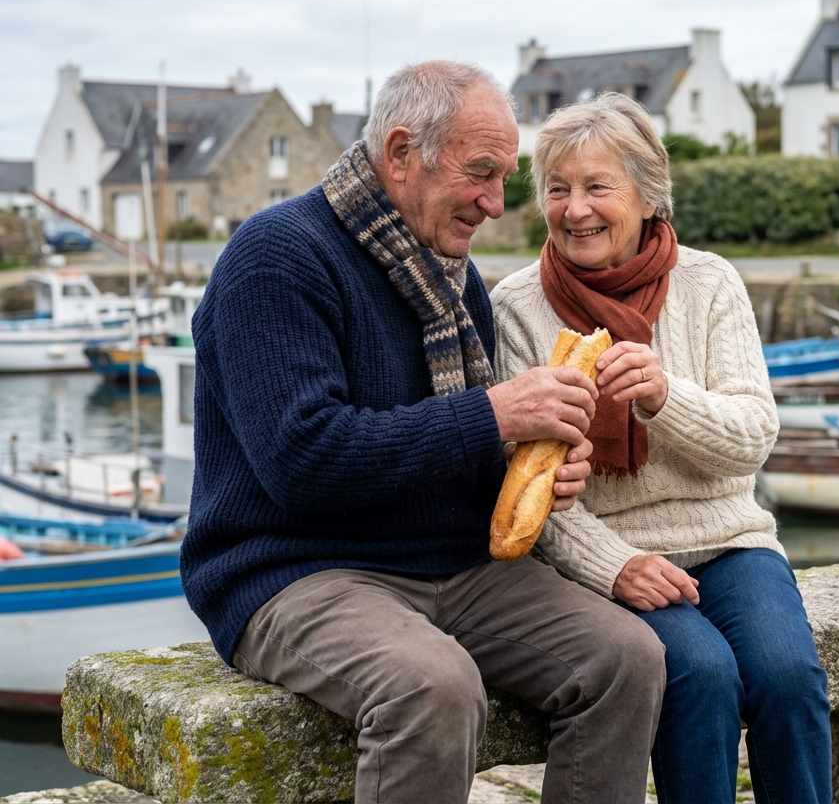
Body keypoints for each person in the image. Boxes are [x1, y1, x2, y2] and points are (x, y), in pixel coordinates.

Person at [180, 63, 666, 804]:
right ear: (402, 151)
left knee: (628, 657)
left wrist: (526, 465)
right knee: (433, 686)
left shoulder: (454, 276)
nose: (496, 205)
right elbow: (303, 460)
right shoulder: (275, 257)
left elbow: (455, 448)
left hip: (454, 563)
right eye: (480, 173)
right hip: (297, 570)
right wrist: (497, 416)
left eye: (504, 178)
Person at [492, 92, 832, 804]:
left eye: (597, 187)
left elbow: (751, 442)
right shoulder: (517, 308)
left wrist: (664, 397)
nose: (575, 209)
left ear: (649, 197)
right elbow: (529, 487)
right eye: (558, 189)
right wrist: (616, 566)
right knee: (700, 676)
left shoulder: (709, 282)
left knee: (786, 675)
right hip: (614, 555)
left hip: (730, 540)